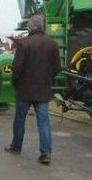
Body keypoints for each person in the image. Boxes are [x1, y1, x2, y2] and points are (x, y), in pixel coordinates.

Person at [5, 15, 60, 164]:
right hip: (43, 90)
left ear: (31, 27)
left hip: (24, 90)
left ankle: (16, 146)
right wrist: (48, 80)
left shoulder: (24, 44)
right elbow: (57, 68)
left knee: (19, 120)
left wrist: (15, 82)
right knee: (43, 122)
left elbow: (17, 68)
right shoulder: (52, 44)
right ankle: (46, 153)